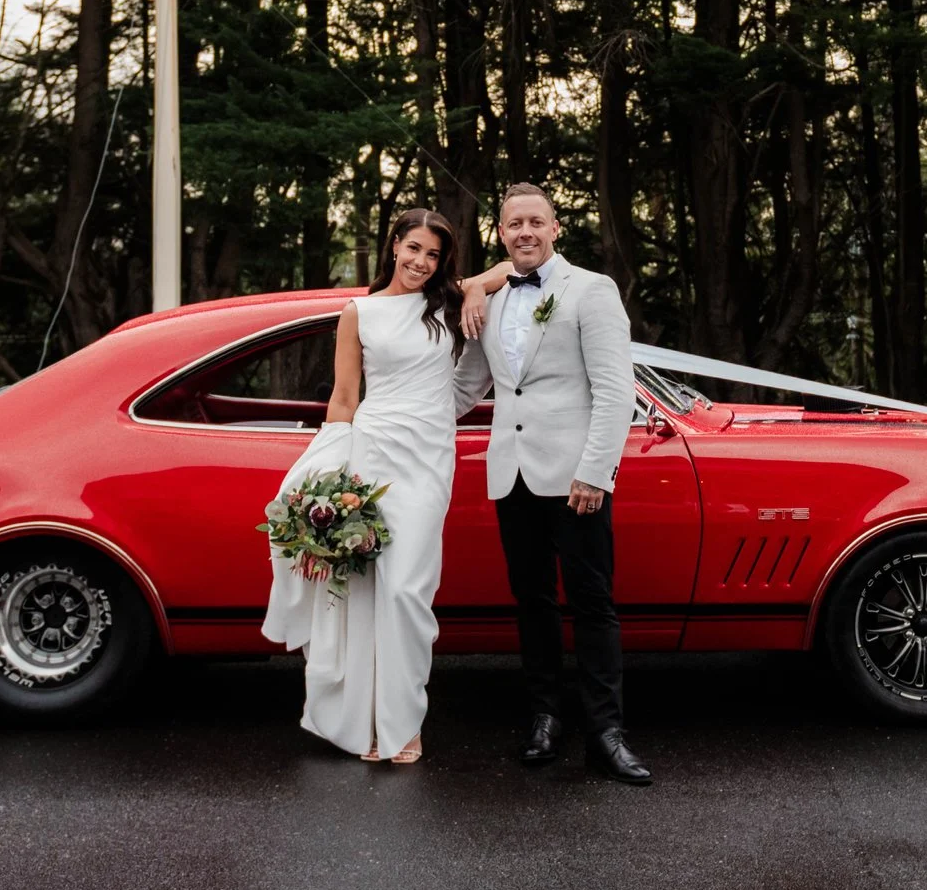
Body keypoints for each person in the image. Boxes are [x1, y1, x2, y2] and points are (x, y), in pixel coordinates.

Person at [262, 208, 477, 763]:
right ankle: (366, 720)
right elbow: (345, 396)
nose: (421, 263)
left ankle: (405, 720)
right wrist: (326, 473)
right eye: (413, 250)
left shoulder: (449, 303)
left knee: (407, 589)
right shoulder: (358, 311)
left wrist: (479, 288)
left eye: (433, 255)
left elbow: (503, 274)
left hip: (429, 458)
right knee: (363, 590)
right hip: (372, 452)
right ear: (394, 245)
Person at [456, 182, 652, 785]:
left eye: (536, 222)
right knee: (533, 601)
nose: (526, 233)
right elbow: (467, 387)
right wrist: (389, 417)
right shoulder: (487, 301)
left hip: (575, 479)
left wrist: (595, 471)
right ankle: (545, 717)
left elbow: (615, 392)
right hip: (510, 473)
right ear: (501, 233)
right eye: (514, 224)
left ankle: (606, 733)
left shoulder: (590, 290)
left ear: (556, 226)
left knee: (592, 602)